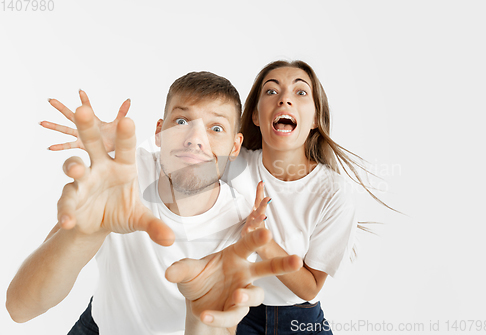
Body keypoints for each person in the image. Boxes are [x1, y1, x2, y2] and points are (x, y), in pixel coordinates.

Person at [6, 72, 302, 335]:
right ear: (160, 132)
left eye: (216, 128)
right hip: (99, 326)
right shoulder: (122, 179)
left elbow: (216, 323)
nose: (195, 139)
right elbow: (19, 309)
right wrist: (86, 232)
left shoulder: (240, 225)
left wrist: (201, 320)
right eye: (182, 121)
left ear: (235, 146)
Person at [222, 60, 391, 334]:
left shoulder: (334, 191)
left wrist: (263, 243)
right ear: (255, 115)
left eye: (300, 93)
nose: (284, 99)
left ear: (314, 118)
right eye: (271, 91)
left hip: (300, 321)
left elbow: (310, 286)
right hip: (238, 311)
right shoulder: (232, 164)